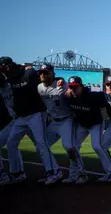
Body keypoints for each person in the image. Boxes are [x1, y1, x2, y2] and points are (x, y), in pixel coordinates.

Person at [1, 57, 61, 185]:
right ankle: (18, 173)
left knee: (41, 143)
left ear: (7, 66)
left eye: (2, 68)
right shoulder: (10, 79)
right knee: (11, 143)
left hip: (36, 114)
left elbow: (47, 77)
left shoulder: (29, 73)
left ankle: (54, 172)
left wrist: (59, 80)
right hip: (21, 117)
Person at [64, 76, 111, 183]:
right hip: (81, 125)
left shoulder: (92, 96)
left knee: (97, 146)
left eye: (76, 87)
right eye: (71, 87)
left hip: (95, 124)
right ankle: (77, 174)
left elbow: (107, 97)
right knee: (72, 147)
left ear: (81, 86)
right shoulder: (68, 97)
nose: (73, 89)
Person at [37, 64, 84, 184]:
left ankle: (81, 172)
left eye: (46, 72)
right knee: (41, 146)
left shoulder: (62, 85)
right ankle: (54, 171)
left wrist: (67, 87)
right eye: (41, 72)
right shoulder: (39, 87)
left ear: (52, 73)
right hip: (53, 121)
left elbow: (72, 91)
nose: (42, 74)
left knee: (69, 146)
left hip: (66, 120)